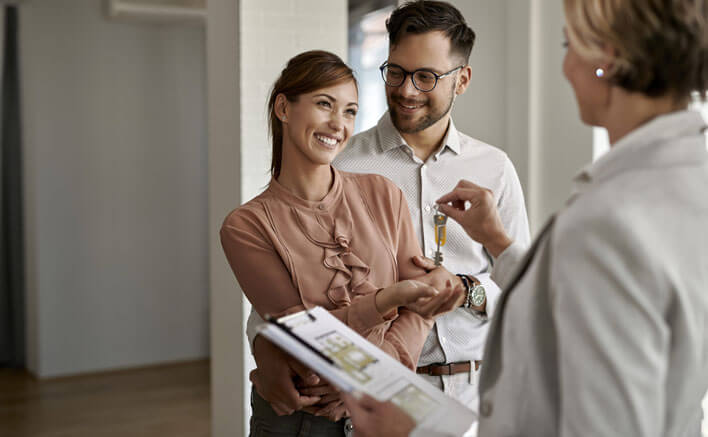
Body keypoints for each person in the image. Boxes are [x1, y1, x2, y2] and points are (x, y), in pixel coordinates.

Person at [342, 0, 708, 435]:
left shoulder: (609, 217)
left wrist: (467, 292)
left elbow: (602, 420)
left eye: (569, 45)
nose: (566, 66)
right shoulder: (682, 183)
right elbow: (560, 304)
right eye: (398, 72)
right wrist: (498, 243)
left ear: (606, 63)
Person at [246, 2, 531, 432]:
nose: (407, 90)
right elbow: (282, 289)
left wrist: (467, 290)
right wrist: (265, 350)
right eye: (395, 72)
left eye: (426, 77)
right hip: (358, 401)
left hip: (468, 398)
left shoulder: (495, 168)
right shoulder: (340, 161)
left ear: (463, 80)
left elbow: (520, 284)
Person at [220, 50, 462, 436]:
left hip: (381, 413)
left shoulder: (383, 194)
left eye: (350, 111)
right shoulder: (246, 227)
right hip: (299, 425)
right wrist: (386, 301)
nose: (338, 124)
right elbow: (305, 340)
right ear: (284, 107)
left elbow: (421, 308)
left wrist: (375, 374)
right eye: (324, 104)